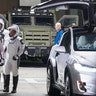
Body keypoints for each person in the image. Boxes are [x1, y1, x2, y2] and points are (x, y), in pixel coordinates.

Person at [3, 24, 25, 93]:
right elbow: (4, 48)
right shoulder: (7, 39)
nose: (10, 32)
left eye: (12, 31)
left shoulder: (19, 40)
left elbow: (22, 49)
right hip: (7, 58)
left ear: (16, 32)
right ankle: (6, 87)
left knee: (15, 73)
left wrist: (17, 55)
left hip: (14, 59)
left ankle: (14, 88)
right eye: (10, 30)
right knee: (6, 72)